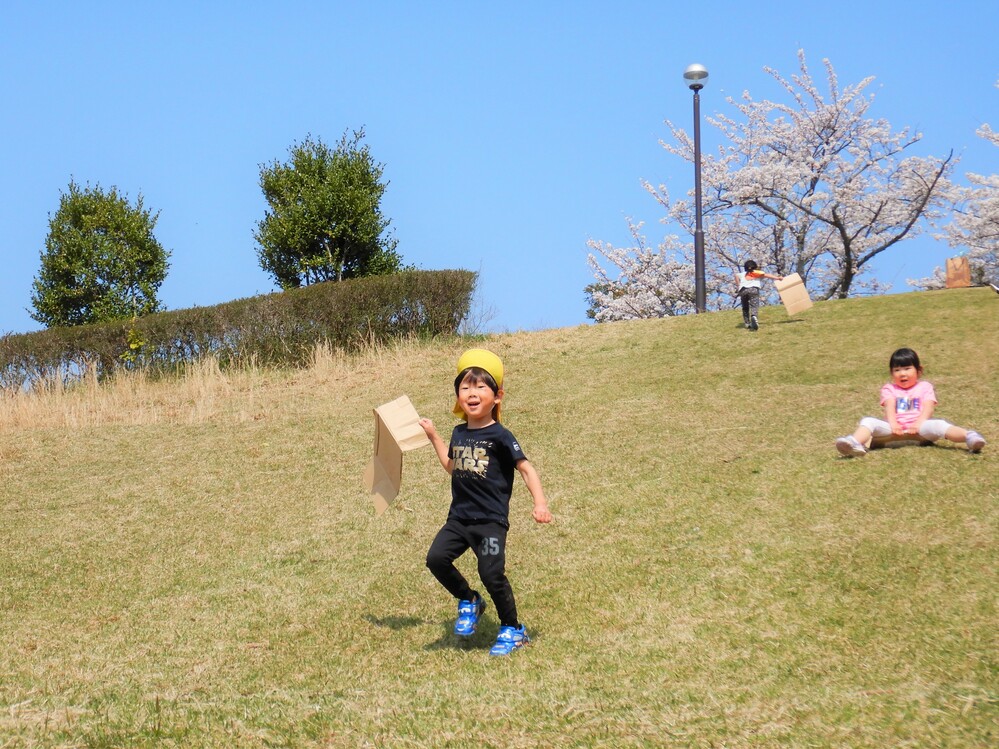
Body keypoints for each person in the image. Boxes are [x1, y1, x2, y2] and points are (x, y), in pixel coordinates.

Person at [419, 348, 552, 656]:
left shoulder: (501, 436)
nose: (472, 393)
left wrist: (540, 503)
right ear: (458, 397)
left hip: (491, 522)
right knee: (436, 559)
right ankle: (469, 600)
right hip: (459, 519)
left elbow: (526, 468)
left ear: (498, 396)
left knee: (491, 574)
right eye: (465, 387)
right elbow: (453, 466)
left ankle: (513, 629)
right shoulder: (459, 432)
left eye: (480, 387)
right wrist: (434, 437)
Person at [835, 347, 987, 457]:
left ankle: (969, 437)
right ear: (891, 373)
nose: (902, 374)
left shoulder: (925, 387)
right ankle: (853, 442)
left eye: (907, 368)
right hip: (895, 428)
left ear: (918, 371)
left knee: (940, 424)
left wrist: (918, 423)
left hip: (921, 428)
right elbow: (889, 407)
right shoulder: (889, 388)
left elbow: (928, 408)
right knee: (868, 420)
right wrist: (893, 424)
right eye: (897, 370)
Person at [735, 260, 783, 330]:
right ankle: (754, 316)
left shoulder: (742, 274)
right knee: (754, 305)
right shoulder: (757, 273)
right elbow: (767, 275)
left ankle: (747, 323)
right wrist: (778, 278)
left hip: (743, 290)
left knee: (745, 307)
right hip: (753, 290)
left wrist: (738, 285)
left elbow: (736, 275)